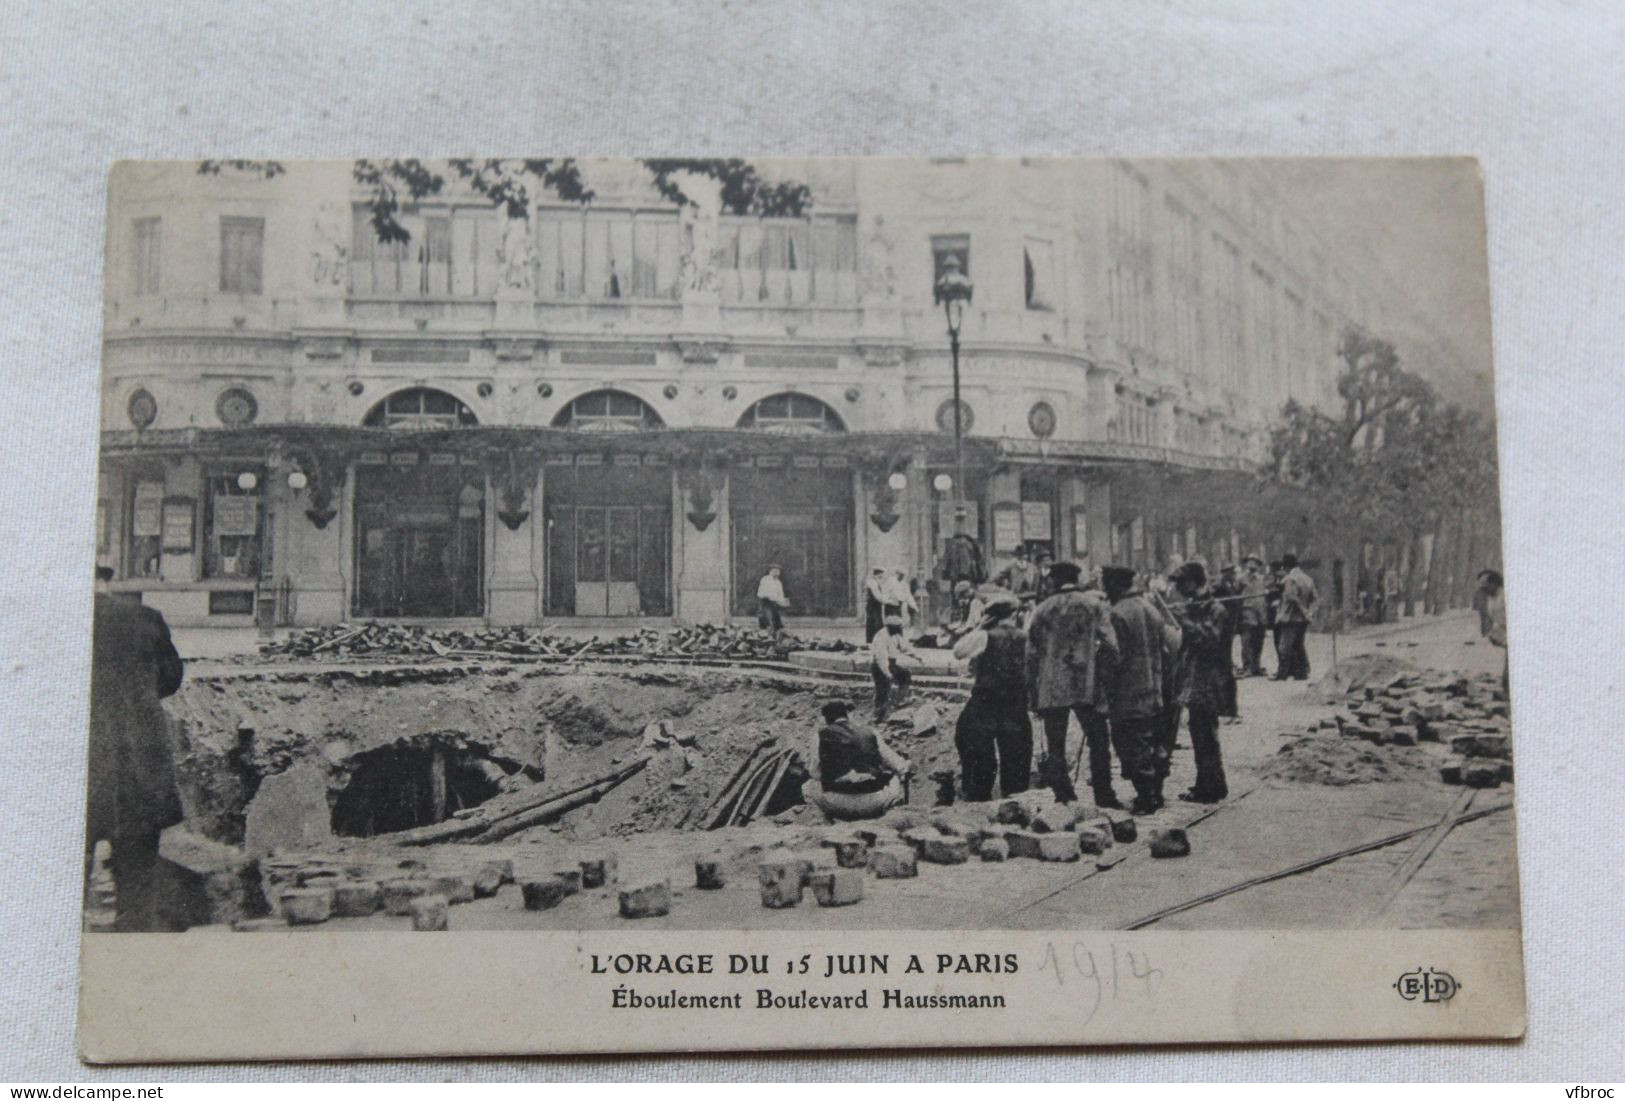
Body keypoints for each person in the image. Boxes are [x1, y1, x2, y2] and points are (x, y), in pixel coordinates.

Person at [87, 581, 185, 931]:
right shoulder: (144, 618)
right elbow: (171, 679)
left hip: (78, 764)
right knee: (138, 880)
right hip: (138, 758)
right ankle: (134, 947)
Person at [1024, 560, 1120, 805]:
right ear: (1077, 579)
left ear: (1054, 581)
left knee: (1055, 745)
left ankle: (1063, 797)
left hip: (1052, 685)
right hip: (1086, 682)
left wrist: (1033, 692)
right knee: (1098, 739)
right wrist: (1103, 673)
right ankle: (1104, 794)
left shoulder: (1043, 609)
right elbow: (1112, 645)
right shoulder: (1093, 605)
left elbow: (1031, 654)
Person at [1100, 565, 1170, 815]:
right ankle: (1157, 793)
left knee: (1131, 744)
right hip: (1154, 689)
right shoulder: (1151, 609)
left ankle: (1146, 798)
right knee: (1155, 743)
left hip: (1128, 692)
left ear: (1115, 585)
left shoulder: (1117, 614)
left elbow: (1114, 657)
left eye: (1106, 584)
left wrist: (1103, 681)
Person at [951, 593, 1033, 801]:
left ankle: (978, 797)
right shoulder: (1026, 637)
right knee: (1016, 753)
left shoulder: (984, 635)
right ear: (1014, 614)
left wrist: (979, 627)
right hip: (1016, 702)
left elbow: (958, 651)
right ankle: (1015, 802)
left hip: (986, 701)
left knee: (973, 744)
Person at [1169, 562, 1230, 803]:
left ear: (1194, 582)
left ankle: (1212, 787)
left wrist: (1185, 620)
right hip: (1194, 680)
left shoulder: (1215, 609)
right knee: (1199, 733)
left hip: (1210, 680)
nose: (1179, 588)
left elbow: (1209, 639)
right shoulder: (1196, 607)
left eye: (1182, 583)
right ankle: (1206, 783)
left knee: (1206, 735)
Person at [802, 700, 913, 820]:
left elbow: (815, 773)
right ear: (847, 715)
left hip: (836, 802)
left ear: (826, 719)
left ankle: (824, 824)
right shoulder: (871, 732)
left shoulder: (819, 736)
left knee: (809, 786)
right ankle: (889, 819)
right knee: (896, 777)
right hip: (873, 801)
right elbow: (897, 764)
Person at [1274, 553, 1317, 681]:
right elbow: (1315, 598)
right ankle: (1301, 672)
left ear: (1286, 566)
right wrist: (1309, 612)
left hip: (1290, 617)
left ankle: (1282, 673)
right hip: (1303, 620)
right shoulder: (1308, 579)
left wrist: (1303, 610)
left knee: (1284, 646)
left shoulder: (1290, 579)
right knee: (1298, 645)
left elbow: (1291, 597)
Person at [870, 615, 921, 719]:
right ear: (890, 627)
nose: (900, 628)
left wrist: (916, 656)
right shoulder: (881, 637)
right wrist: (887, 673)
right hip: (879, 667)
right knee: (882, 690)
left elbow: (904, 647)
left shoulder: (895, 635)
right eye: (898, 627)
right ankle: (878, 715)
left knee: (905, 675)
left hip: (891, 664)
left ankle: (899, 700)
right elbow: (881, 658)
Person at [1211, 563, 1242, 721]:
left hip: (1228, 630)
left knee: (1224, 670)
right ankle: (1224, 709)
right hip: (1221, 631)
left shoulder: (1231, 586)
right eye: (1230, 572)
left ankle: (1228, 710)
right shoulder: (1220, 586)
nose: (1232, 574)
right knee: (1221, 670)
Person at [1477, 569, 1508, 696]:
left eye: (1486, 585)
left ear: (1495, 583)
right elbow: (1496, 619)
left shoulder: (1505, 596)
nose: (1484, 589)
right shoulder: (1491, 598)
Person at [1237, 556, 1269, 677]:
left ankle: (1256, 666)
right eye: (1250, 562)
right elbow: (1236, 594)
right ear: (1246, 564)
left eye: (1255, 563)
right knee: (1246, 642)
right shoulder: (1241, 579)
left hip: (1260, 614)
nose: (1252, 565)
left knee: (1258, 641)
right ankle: (1247, 667)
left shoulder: (1261, 579)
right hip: (1247, 614)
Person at [756, 564, 789, 633]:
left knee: (777, 622)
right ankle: (765, 635)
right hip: (765, 602)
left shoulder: (778, 582)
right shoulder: (765, 579)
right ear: (770, 571)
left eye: (778, 571)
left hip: (774, 603)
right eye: (775, 571)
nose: (777, 573)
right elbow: (762, 593)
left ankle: (777, 637)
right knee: (767, 620)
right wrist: (771, 598)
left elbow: (780, 594)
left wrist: (782, 601)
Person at [863, 567, 889, 642]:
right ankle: (874, 640)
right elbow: (877, 596)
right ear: (875, 575)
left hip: (875, 606)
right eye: (879, 575)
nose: (881, 577)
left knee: (875, 622)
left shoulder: (875, 582)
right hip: (873, 606)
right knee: (875, 623)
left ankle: (873, 640)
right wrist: (886, 600)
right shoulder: (872, 583)